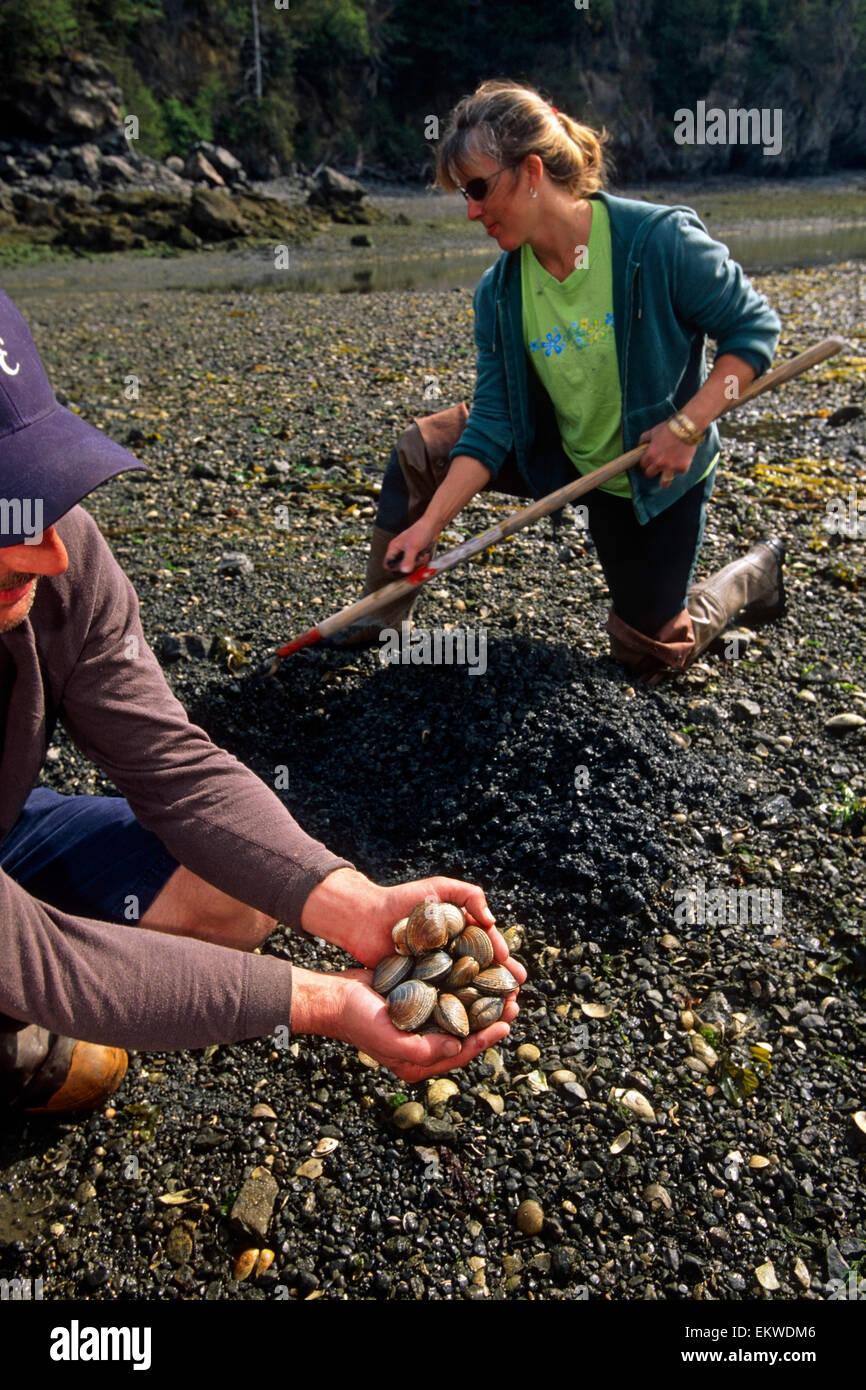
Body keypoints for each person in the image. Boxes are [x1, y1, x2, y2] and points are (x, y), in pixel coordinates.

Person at [0, 289, 524, 1114]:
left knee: (238, 895)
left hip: (11, 821)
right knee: (47, 1036)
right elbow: (34, 957)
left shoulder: (58, 552)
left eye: (33, 485)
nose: (51, 552)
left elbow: (173, 766)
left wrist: (352, 902)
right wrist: (322, 1003)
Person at [340, 80, 785, 679]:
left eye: (477, 189)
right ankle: (381, 619)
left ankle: (752, 576)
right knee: (423, 449)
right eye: (463, 196)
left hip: (647, 472)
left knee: (648, 656)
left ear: (529, 172)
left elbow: (753, 333)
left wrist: (687, 426)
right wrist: (429, 526)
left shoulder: (656, 243)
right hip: (555, 447)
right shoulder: (500, 293)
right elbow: (494, 423)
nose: (471, 210)